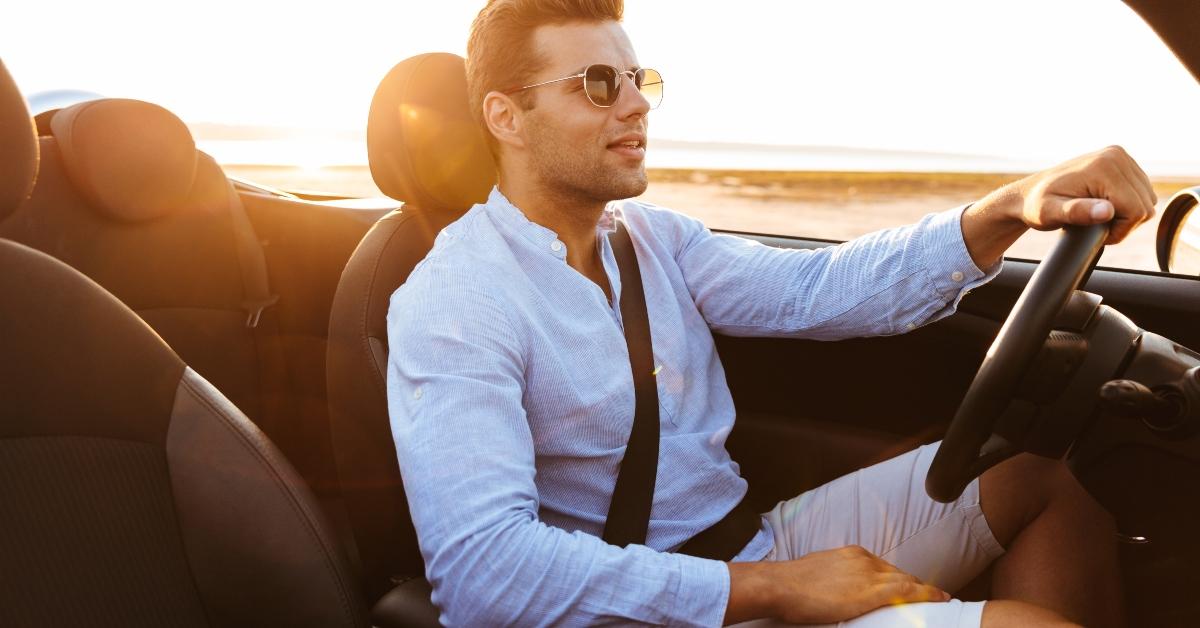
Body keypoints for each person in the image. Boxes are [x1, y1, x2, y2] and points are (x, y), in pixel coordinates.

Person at [385, 1, 1156, 625]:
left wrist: (1005, 210)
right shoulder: (456, 300)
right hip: (637, 607)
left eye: (637, 79)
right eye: (596, 84)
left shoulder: (652, 238)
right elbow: (485, 572)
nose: (634, 108)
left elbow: (813, 288)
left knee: (1055, 472)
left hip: (749, 545)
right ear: (505, 118)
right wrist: (769, 589)